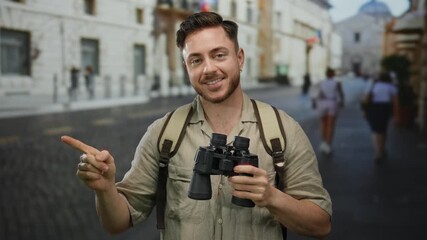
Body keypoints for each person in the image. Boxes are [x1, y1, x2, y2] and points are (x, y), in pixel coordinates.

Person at [61, 12, 331, 239]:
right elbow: (117, 223)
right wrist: (106, 188)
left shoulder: (283, 131)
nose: (208, 69)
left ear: (240, 58)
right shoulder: (164, 134)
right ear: (186, 67)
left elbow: (321, 224)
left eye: (219, 55)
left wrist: (272, 197)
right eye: (196, 60)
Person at [363, 71, 398, 163]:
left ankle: (377, 152)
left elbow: (366, 98)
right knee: (383, 130)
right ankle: (381, 149)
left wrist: (365, 111)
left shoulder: (373, 85)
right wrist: (396, 115)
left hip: (374, 108)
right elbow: (395, 102)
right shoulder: (391, 87)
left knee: (375, 131)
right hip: (385, 108)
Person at [311, 68, 345, 155]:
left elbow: (315, 93)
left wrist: (314, 103)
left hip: (322, 103)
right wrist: (342, 103)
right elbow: (341, 93)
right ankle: (328, 144)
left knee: (323, 124)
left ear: (326, 74)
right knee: (330, 125)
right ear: (333, 74)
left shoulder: (321, 82)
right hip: (332, 103)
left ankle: (323, 142)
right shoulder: (337, 83)